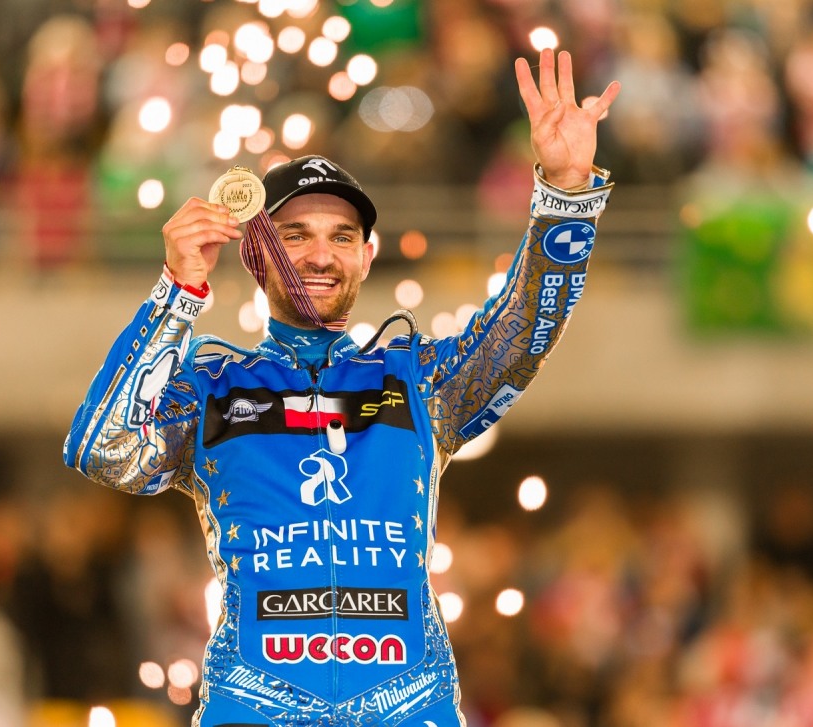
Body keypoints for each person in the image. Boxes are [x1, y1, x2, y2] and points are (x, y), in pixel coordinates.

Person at [64, 49, 619, 726]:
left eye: (341, 236)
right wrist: (177, 291)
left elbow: (523, 329)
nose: (320, 256)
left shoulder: (419, 379)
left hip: (409, 706)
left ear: (367, 254)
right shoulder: (212, 387)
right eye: (294, 235)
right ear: (256, 253)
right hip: (255, 708)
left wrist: (564, 194)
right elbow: (104, 447)